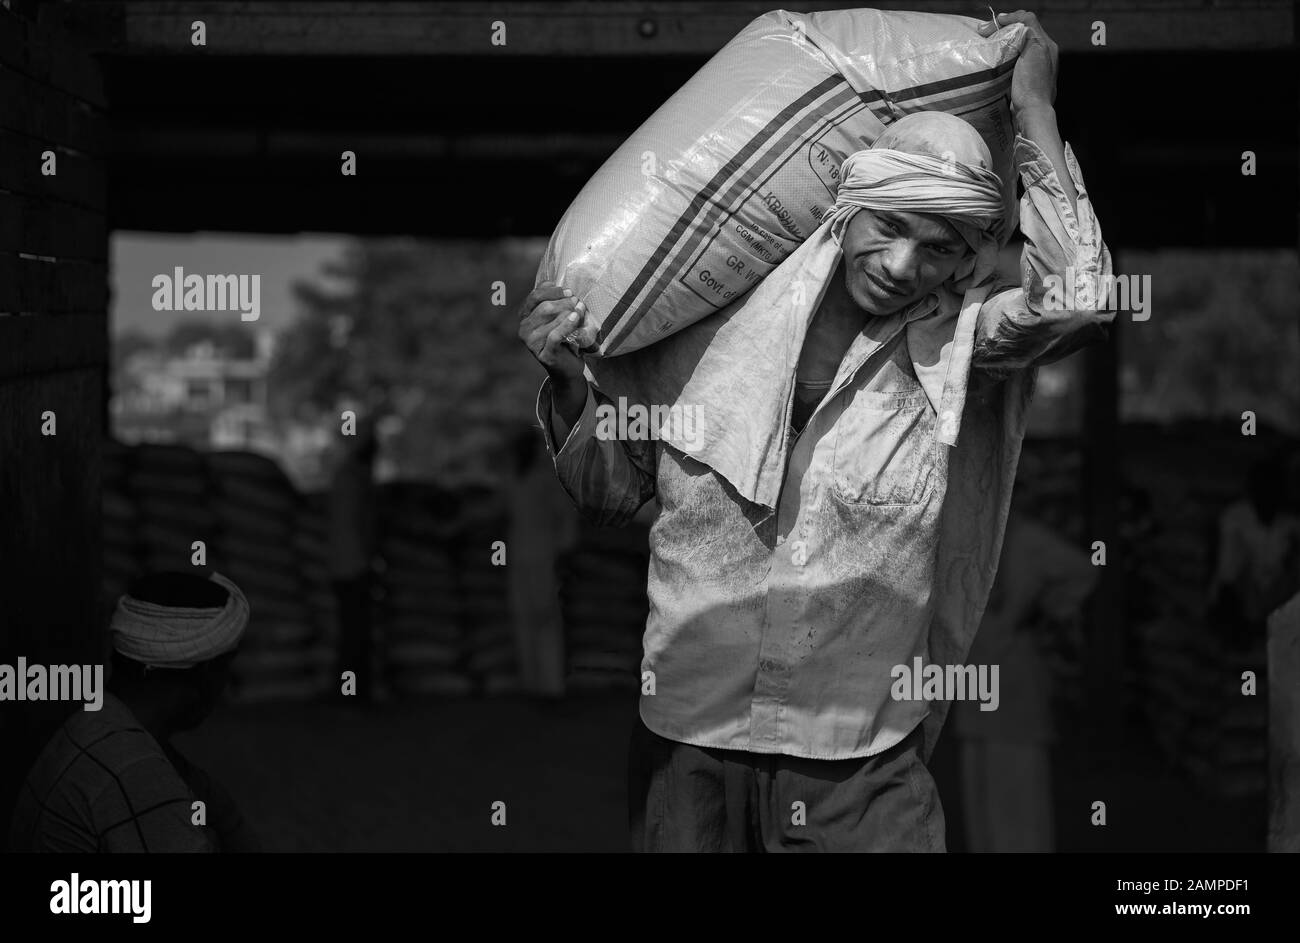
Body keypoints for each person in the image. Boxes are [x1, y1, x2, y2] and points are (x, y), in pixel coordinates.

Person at [519, 11, 1113, 851]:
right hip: (691, 741)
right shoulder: (700, 328)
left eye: (938, 246)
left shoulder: (959, 346)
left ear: (964, 258)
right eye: (889, 226)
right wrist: (564, 385)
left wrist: (1035, 110)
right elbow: (610, 495)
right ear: (845, 208)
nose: (903, 266)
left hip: (860, 758)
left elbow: (1083, 302)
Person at [9, 571, 259, 852]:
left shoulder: (98, 720)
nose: (225, 686)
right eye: (225, 668)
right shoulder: (136, 769)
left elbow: (219, 809)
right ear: (206, 673)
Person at [949, 510, 1098, 853]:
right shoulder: (967, 536)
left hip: (1013, 669)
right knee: (982, 790)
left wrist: (1043, 609)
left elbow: (1083, 571)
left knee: (1018, 789)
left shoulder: (1027, 539)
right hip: (977, 672)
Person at [507, 428, 579, 698]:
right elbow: (501, 510)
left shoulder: (546, 478)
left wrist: (564, 553)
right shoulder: (513, 479)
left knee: (545, 619)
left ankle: (551, 686)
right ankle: (531, 684)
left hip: (544, 557)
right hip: (519, 558)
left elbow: (566, 518)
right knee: (523, 618)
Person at [328, 415, 380, 703]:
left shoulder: (345, 474)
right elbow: (364, 525)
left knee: (351, 632)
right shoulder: (356, 478)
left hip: (342, 564)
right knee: (356, 634)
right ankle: (354, 694)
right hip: (355, 565)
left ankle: (348, 692)